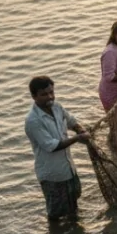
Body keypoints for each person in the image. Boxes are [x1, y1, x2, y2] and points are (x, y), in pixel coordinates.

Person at [25, 76, 91, 221]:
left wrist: (80, 130)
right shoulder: (33, 121)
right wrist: (77, 138)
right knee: (55, 215)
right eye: (44, 94)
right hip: (52, 175)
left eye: (51, 92)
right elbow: (52, 146)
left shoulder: (57, 107)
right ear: (34, 96)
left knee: (73, 206)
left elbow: (71, 121)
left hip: (69, 169)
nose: (50, 97)